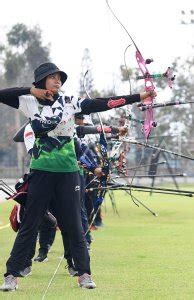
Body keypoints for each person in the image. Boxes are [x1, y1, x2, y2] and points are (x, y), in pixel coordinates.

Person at [0, 62, 155, 291]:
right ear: (41, 81)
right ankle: (11, 275)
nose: (58, 81)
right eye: (53, 77)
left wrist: (140, 96)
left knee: (74, 224)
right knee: (30, 223)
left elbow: (103, 103)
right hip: (41, 173)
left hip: (68, 174)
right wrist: (32, 91)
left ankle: (84, 273)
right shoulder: (29, 102)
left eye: (60, 78)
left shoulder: (70, 103)